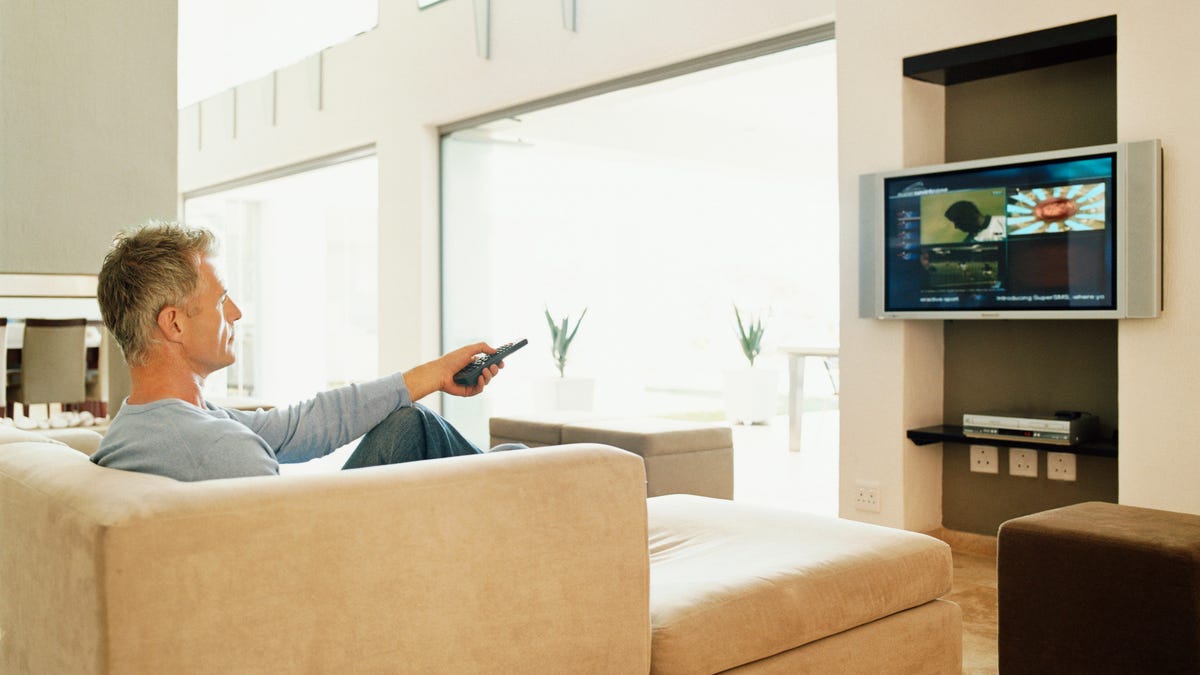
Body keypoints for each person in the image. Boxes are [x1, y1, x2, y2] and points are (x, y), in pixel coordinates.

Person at [91, 220, 515, 481]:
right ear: (175, 323)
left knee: (410, 425)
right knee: (511, 467)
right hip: (329, 568)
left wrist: (436, 373)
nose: (236, 313)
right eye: (222, 302)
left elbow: (300, 426)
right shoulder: (221, 449)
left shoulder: (146, 425)